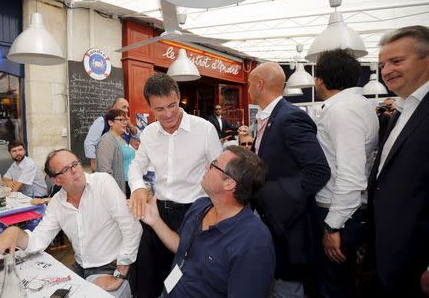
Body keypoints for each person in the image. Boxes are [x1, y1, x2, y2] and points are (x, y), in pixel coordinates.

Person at [0, 149, 142, 298]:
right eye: (66, 169)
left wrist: (120, 273)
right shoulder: (57, 203)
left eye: (75, 164)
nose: (75, 171)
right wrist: (15, 233)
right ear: (56, 180)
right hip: (80, 267)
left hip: (112, 267)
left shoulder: (102, 182)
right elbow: (39, 239)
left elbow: (132, 226)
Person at [128, 73, 222, 298]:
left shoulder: (204, 129)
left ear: (179, 97)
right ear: (149, 106)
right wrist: (138, 187)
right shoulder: (149, 133)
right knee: (153, 275)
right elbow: (135, 166)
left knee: (189, 277)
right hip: (160, 211)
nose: (168, 114)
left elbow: (220, 171)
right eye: (159, 109)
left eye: (172, 105)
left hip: (196, 212)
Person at [369, 25, 429, 297]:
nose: (386, 70)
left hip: (427, 263)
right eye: (382, 64)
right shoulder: (404, 107)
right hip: (394, 256)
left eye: (396, 61)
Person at [140, 146, 275, 297]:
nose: (206, 166)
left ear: (229, 183)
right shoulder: (201, 206)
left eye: (214, 165)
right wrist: (155, 221)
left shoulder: (254, 241)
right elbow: (182, 246)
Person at [249, 62, 330, 298]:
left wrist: (273, 195)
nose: (247, 87)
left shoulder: (290, 118)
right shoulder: (270, 117)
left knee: (287, 287)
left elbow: (318, 170)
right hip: (271, 224)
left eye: (249, 82)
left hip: (289, 225)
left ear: (260, 84)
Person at [313, 49, 379, 298]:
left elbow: (350, 173)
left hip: (337, 211)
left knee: (333, 286)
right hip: (346, 210)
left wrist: (332, 226)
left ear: (320, 80)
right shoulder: (356, 105)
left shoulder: (342, 110)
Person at [84, 98, 137, 172]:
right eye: (124, 107)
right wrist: (93, 163)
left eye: (127, 108)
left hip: (122, 167)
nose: (126, 110)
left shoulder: (126, 122)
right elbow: (89, 142)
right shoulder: (101, 121)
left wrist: (130, 124)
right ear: (114, 107)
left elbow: (137, 137)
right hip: (107, 166)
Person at [96, 109, 135, 196]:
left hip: (130, 183)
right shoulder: (106, 140)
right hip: (120, 187)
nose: (125, 122)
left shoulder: (121, 138)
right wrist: (115, 193)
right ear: (110, 122)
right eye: (121, 120)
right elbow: (105, 171)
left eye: (125, 120)